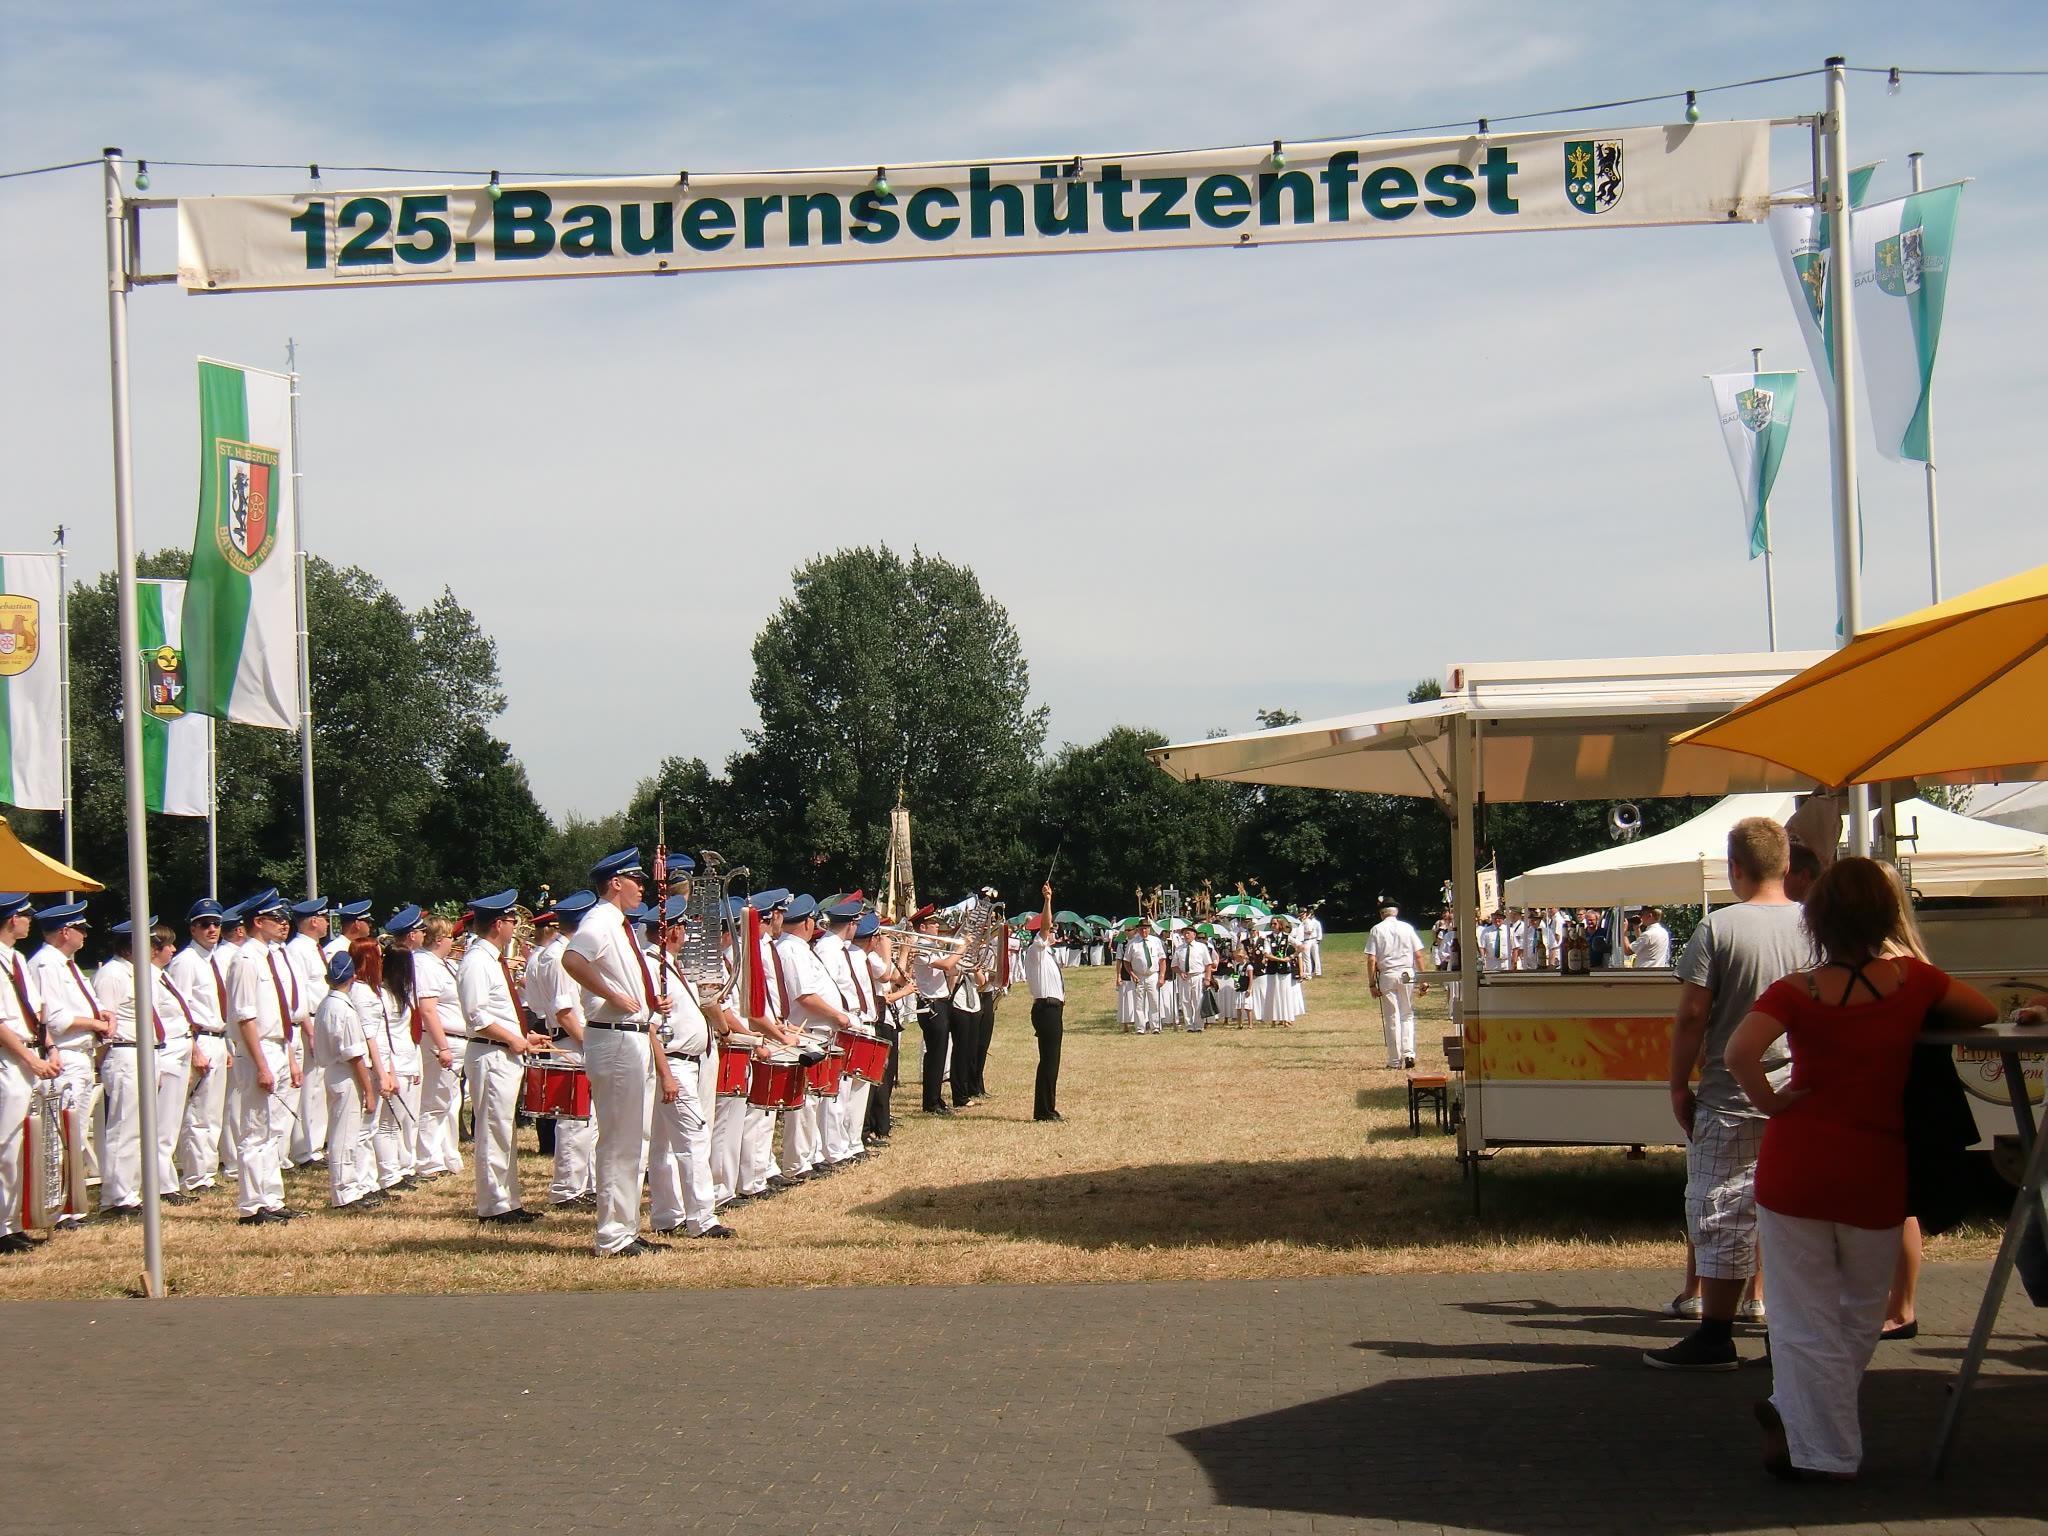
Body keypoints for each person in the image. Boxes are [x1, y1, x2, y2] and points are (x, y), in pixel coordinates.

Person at [1726, 856, 1995, 1481]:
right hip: (1874, 1165)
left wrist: (1772, 1102)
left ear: (1816, 920)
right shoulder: (1915, 981)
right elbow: (1982, 1009)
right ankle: (1814, 1441)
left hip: (1796, 1164)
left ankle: (1815, 1442)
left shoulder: (1796, 990)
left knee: (1801, 1316)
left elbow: (1741, 1052)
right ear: (1887, 917)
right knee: (1861, 1312)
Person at [1645, 818, 1809, 1371]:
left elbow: (1693, 1013)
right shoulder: (1814, 926)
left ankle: (1715, 1334)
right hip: (1797, 1093)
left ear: (1734, 868)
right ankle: (1785, 1335)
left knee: (1720, 1209)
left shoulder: (1718, 929)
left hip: (1729, 1095)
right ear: (1787, 865)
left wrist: (1677, 1083)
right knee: (1790, 1215)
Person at [562, 848, 671, 1257]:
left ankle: (625, 1226)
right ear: (615, 883)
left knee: (634, 1138)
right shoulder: (599, 920)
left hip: (632, 1034)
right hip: (614, 1037)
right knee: (619, 1140)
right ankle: (611, 1234)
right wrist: (611, 994)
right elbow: (573, 959)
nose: (642, 887)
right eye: (635, 880)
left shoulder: (618, 924)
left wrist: (648, 1002)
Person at [459, 888, 550, 1227]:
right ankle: (493, 1206)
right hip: (490, 1054)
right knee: (493, 1130)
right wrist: (514, 1039)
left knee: (503, 1129)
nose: (515, 927)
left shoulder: (491, 960)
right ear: (498, 924)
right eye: (512, 921)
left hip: (502, 1052)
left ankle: (507, 1200)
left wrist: (523, 1036)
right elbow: (477, 1016)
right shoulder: (477, 961)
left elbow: (497, 1012)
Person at [647, 896, 732, 1239]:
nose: (686, 932)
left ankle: (667, 1214)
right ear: (672, 931)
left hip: (682, 1063)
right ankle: (702, 1218)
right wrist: (666, 1074)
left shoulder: (667, 964)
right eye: (683, 926)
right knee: (693, 1139)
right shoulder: (655, 968)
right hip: (673, 1064)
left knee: (666, 1144)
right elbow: (651, 1027)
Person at [226, 889, 306, 1226]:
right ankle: (252, 1204)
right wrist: (261, 1064)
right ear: (258, 922)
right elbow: (245, 1017)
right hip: (257, 1048)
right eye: (276, 918)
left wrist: (289, 1058)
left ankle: (271, 1197)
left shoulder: (269, 957)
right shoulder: (245, 959)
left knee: (274, 1129)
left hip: (277, 1044)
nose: (283, 923)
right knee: (256, 1129)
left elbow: (280, 1013)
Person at [29, 900, 111, 1209]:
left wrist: (101, 1014)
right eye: (81, 929)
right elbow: (54, 1019)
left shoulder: (67, 964)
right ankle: (56, 1205)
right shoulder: (46, 964)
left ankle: (69, 1202)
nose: (85, 935)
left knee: (74, 1133)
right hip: (63, 1055)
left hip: (81, 1054)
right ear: (65, 932)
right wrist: (95, 1023)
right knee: (59, 1134)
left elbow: (84, 1004)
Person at [0, 892, 62, 1254]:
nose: (28, 922)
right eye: (25, 916)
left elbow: (36, 1011)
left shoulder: (17, 959)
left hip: (30, 1053)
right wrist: (30, 1058)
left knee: (24, 1146)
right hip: (10, 1058)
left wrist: (49, 1047)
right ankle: (2, 1227)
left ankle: (13, 1222)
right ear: (12, 919)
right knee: (5, 1146)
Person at [533, 891, 598, 1209]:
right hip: (573, 1041)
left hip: (576, 1039)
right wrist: (590, 1044)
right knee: (575, 1121)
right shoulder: (560, 957)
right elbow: (565, 1013)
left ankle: (585, 1184)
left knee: (589, 1122)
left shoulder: (560, 952)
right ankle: (567, 1190)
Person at [169, 899, 233, 1194]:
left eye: (216, 924)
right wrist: (193, 1049)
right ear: (193, 929)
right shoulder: (186, 961)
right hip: (200, 1039)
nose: (212, 930)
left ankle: (207, 1172)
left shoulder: (212, 960)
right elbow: (179, 1009)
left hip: (217, 1038)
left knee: (212, 1114)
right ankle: (195, 1176)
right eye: (205, 925)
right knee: (197, 1113)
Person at [310, 951, 380, 1210]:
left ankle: (350, 1187)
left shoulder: (326, 1004)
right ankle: (344, 1192)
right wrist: (368, 1091)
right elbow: (354, 1055)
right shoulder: (344, 1009)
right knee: (345, 1136)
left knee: (345, 1133)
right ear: (352, 977)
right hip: (345, 1074)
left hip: (334, 1071)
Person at [403, 910, 464, 1180]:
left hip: (455, 1038)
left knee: (449, 1101)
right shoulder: (423, 964)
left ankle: (445, 1154)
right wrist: (443, 1047)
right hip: (440, 1038)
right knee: (433, 1101)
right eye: (450, 937)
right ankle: (427, 1159)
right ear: (439, 939)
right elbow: (427, 1010)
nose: (454, 942)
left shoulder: (440, 963)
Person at [284, 897, 331, 1166]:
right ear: (314, 920)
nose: (327, 923)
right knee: (309, 1089)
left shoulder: (313, 948)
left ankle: (315, 1145)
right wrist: (310, 1030)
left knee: (318, 1088)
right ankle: (304, 1150)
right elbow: (299, 993)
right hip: (309, 1022)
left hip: (320, 1021)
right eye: (324, 918)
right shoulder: (297, 950)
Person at [1020, 883, 1065, 1121]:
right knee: (1049, 1061)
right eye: (1050, 929)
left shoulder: (1045, 952)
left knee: (1051, 1061)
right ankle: (1045, 1110)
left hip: (1053, 1009)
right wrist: (1048, 900)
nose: (1053, 931)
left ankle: (1047, 1107)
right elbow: (1045, 926)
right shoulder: (1036, 949)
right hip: (1046, 1008)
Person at [909, 906, 961, 1115]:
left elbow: (952, 969)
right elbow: (946, 965)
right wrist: (962, 948)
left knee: (940, 1053)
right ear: (922, 927)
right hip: (931, 1004)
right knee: (935, 1054)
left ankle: (936, 1099)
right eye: (933, 924)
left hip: (941, 1002)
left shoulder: (933, 946)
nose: (937, 927)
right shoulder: (922, 947)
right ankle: (931, 1102)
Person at [1366, 904, 1429, 1069]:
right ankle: (1409, 1053)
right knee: (1407, 1014)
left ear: (1382, 914)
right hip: (1407, 972)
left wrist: (1372, 983)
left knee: (1392, 1017)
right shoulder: (1407, 927)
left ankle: (1395, 1059)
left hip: (1388, 973)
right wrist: (1423, 978)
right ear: (1396, 912)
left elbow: (1371, 959)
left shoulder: (1377, 929)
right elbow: (1418, 955)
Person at [1120, 919, 1165, 1035]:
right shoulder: (1132, 943)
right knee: (1139, 1004)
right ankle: (1140, 1028)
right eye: (1141, 929)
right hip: (1138, 976)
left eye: (1146, 928)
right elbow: (1126, 961)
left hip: (1153, 975)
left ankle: (1155, 1026)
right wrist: (1132, 974)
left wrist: (1162, 976)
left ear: (1149, 929)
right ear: (1138, 930)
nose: (1144, 931)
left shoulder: (1156, 941)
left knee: (1155, 1002)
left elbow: (1162, 960)